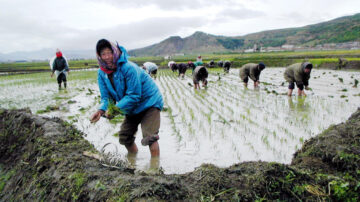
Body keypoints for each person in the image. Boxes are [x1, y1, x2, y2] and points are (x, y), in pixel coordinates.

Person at [90, 39, 163, 158]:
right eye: (103, 54)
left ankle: (154, 169)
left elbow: (134, 95)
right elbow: (106, 97)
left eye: (109, 52)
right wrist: (100, 111)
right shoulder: (102, 73)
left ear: (114, 52)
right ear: (99, 56)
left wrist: (114, 110)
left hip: (150, 102)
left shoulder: (128, 68)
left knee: (150, 137)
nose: (107, 57)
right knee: (125, 137)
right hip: (132, 107)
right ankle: (133, 161)